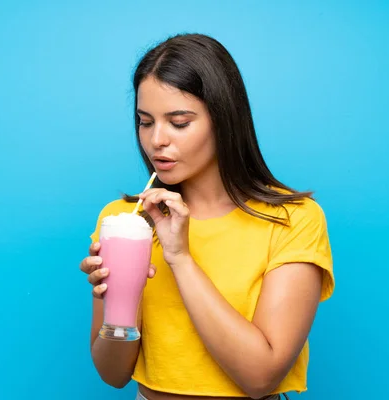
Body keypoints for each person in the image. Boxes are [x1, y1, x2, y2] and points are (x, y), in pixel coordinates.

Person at [80, 33, 335, 400]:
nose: (156, 141)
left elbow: (260, 376)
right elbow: (113, 373)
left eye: (179, 122)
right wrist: (117, 300)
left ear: (225, 120)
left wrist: (180, 258)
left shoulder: (293, 220)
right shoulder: (126, 221)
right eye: (145, 121)